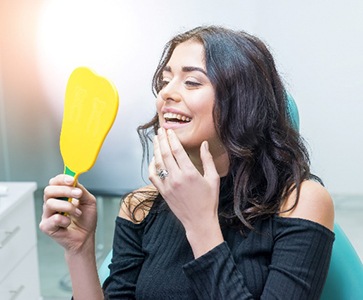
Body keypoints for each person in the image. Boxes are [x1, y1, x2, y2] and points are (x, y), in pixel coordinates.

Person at [39, 26, 335, 300]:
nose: (166, 92)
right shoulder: (140, 207)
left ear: (244, 103)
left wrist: (200, 225)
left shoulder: (299, 201)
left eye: (192, 81)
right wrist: (79, 251)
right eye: (165, 81)